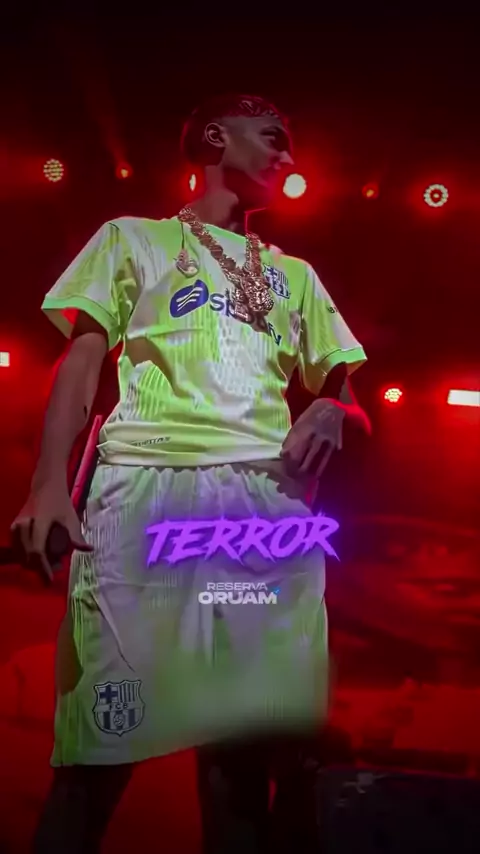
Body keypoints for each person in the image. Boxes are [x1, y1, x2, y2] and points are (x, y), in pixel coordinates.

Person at [12, 94, 369, 853]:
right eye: (272, 137)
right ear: (215, 138)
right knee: (101, 751)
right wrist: (47, 483)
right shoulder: (133, 239)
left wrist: (334, 408)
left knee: (240, 764)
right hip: (149, 494)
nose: (287, 156)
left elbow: (351, 400)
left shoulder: (296, 275)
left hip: (262, 509)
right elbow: (81, 361)